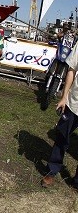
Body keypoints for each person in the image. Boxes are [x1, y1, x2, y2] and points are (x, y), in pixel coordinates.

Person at [41, 42, 78, 189]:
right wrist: (64, 97)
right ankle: (52, 170)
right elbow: (71, 70)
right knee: (62, 136)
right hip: (74, 102)